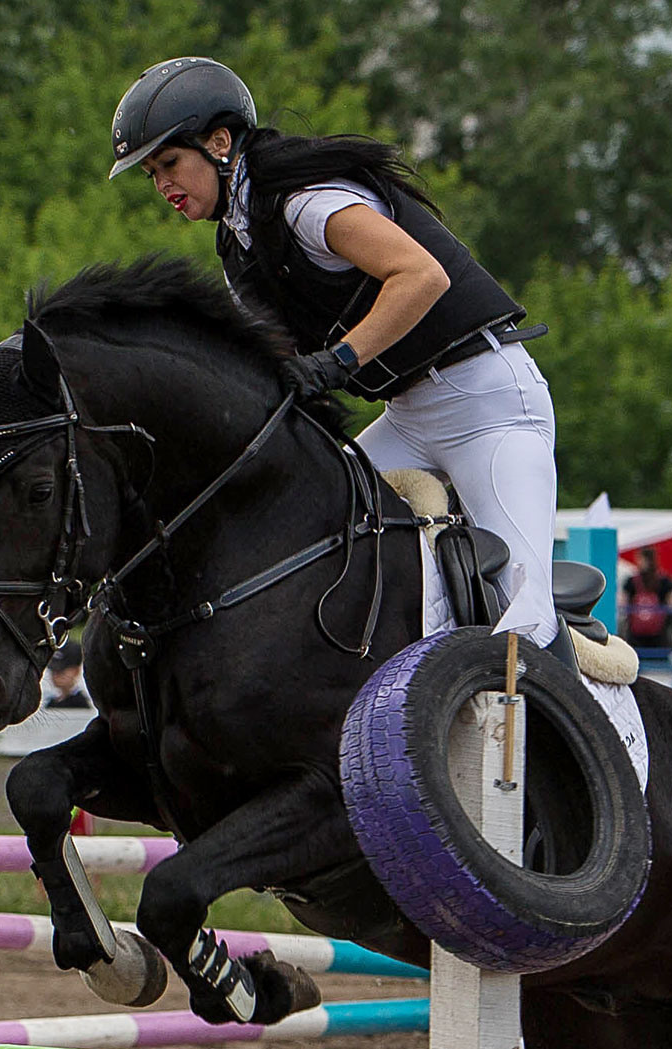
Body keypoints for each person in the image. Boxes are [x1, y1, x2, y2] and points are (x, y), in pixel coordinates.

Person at [112, 57, 560, 649]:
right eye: (152, 174)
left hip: (487, 401)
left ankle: (574, 726)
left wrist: (339, 362)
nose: (163, 184)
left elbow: (421, 276)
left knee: (527, 612)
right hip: (406, 416)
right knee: (301, 532)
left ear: (219, 142)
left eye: (169, 162)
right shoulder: (239, 246)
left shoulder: (304, 201)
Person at [620, 547, 672, 650]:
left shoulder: (631, 581)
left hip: (635, 634)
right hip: (660, 633)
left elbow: (622, 604)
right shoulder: (664, 580)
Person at [44, 638, 93, 709]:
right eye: (53, 670)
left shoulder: (80, 703)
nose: (56, 675)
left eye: (61, 672)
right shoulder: (51, 702)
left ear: (76, 671)